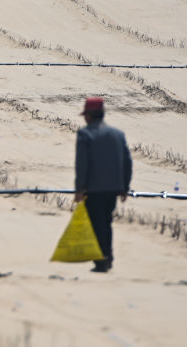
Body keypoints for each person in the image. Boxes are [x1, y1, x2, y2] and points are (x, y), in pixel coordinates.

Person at [74, 97, 132, 273]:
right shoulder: (118, 134)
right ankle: (108, 255)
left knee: (96, 224)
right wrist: (124, 187)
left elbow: (82, 165)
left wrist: (79, 189)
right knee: (106, 222)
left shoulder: (85, 135)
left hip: (93, 188)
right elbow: (127, 162)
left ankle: (102, 260)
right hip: (113, 188)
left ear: (90, 116)